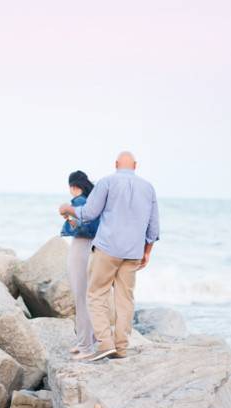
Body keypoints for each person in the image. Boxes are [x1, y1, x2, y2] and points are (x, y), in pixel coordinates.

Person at [59, 151, 160, 361]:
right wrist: (147, 252)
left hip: (107, 249)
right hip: (133, 252)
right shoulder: (148, 188)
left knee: (96, 294)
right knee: (125, 300)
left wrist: (69, 208)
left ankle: (105, 343)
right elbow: (154, 226)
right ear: (136, 165)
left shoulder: (107, 182)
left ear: (116, 164)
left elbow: (88, 213)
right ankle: (121, 347)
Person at [60, 170, 99, 359]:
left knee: (81, 297)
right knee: (85, 297)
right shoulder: (91, 201)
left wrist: (67, 213)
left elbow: (83, 228)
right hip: (89, 249)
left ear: (73, 186)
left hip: (81, 248)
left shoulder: (78, 202)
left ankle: (86, 347)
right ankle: (87, 341)